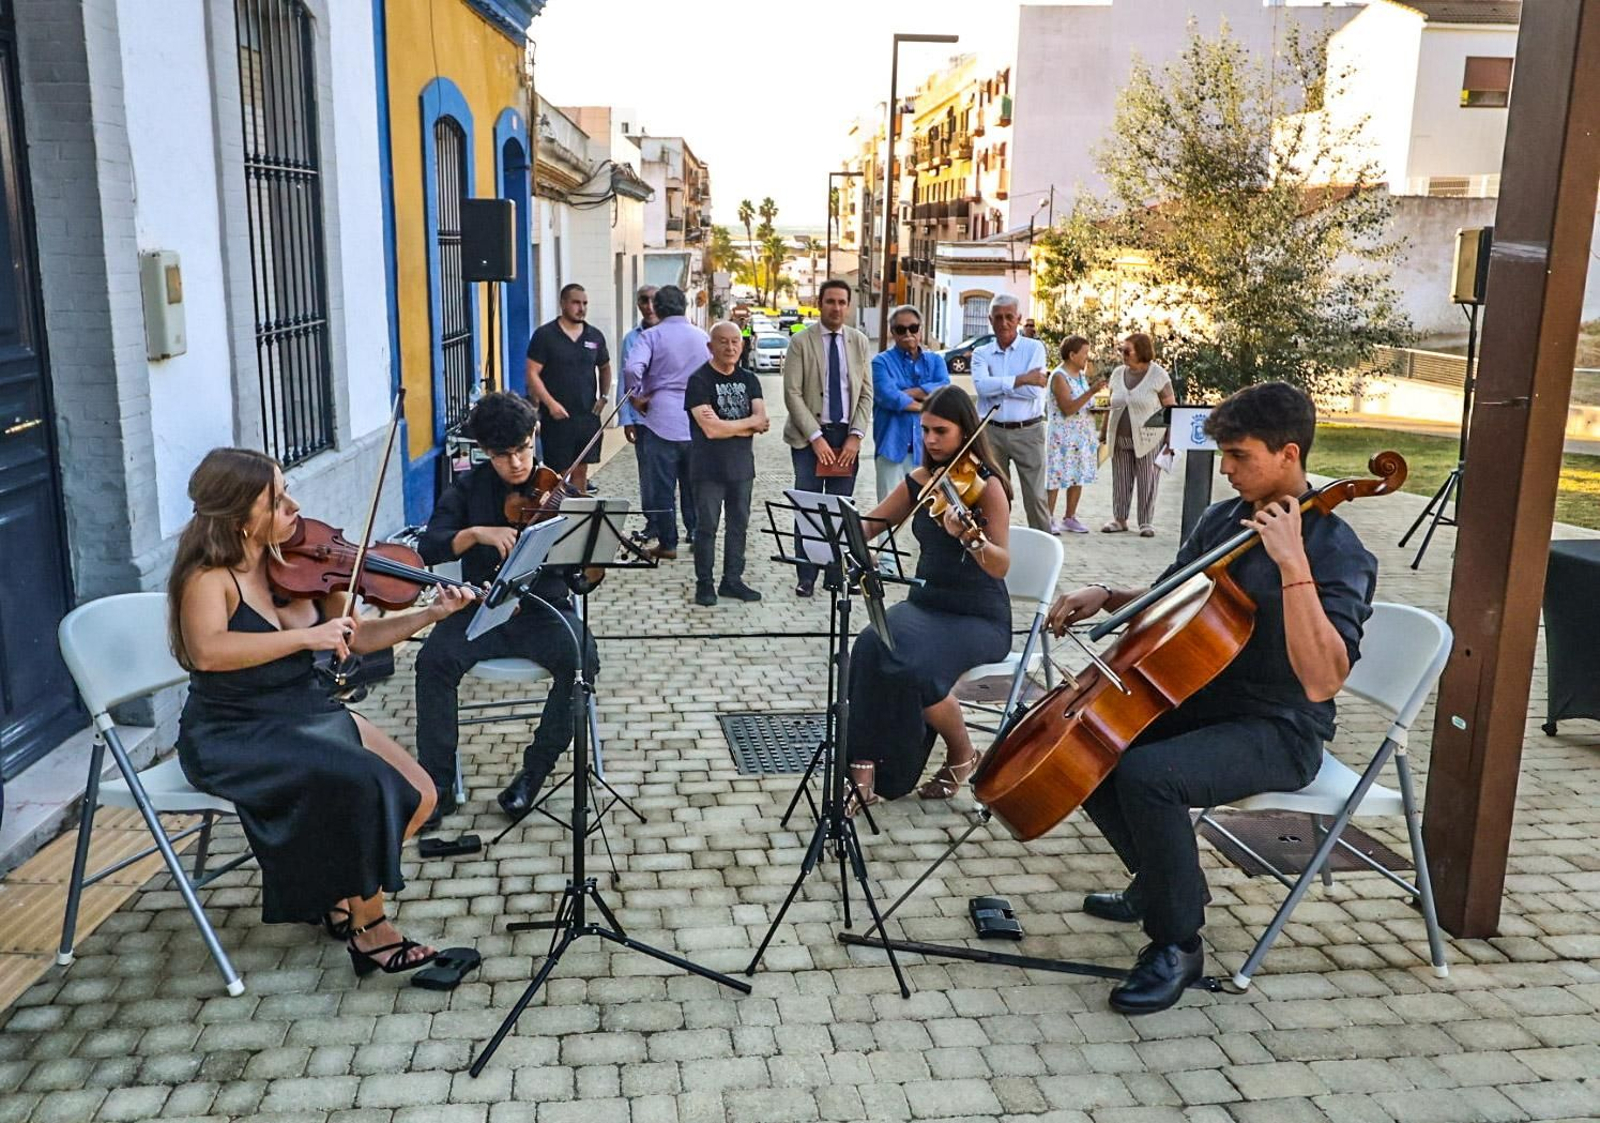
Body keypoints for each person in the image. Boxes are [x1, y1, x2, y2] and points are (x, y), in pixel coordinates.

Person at [1045, 381, 1377, 1015]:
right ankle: (1168, 885)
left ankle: (1176, 941)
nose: (1225, 469)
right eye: (1222, 454)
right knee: (1091, 741)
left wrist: (1292, 564)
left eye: (1239, 456)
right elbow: (1173, 597)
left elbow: (1323, 680)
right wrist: (1110, 594)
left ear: (1288, 454)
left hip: (1280, 727)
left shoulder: (1337, 550)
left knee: (1149, 774)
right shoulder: (1224, 520)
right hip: (1206, 700)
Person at [170, 448, 476, 977]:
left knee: (422, 795)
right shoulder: (209, 577)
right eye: (277, 499)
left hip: (304, 709)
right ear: (242, 517)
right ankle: (370, 929)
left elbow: (357, 640)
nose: (294, 505)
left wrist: (430, 613)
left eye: (287, 490)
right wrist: (306, 638)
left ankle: (333, 889)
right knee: (365, 784)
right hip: (235, 730)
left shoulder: (302, 565)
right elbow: (208, 653)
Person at [414, 392, 600, 823]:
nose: (516, 463)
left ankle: (532, 775)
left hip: (543, 610)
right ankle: (437, 785)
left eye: (522, 450)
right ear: (484, 452)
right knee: (433, 663)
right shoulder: (468, 488)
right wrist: (476, 533)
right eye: (503, 455)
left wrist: (586, 565)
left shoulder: (559, 492)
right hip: (480, 608)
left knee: (581, 661)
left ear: (534, 435)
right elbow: (431, 545)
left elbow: (580, 576)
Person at [847, 386, 1013, 805]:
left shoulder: (987, 487)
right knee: (868, 646)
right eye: (925, 431)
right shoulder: (923, 481)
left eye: (941, 431)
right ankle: (863, 769)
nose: (931, 440)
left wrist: (970, 539)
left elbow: (1000, 564)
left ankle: (962, 753)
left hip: (978, 617)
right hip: (927, 605)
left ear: (965, 431)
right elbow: (869, 525)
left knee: (914, 667)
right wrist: (844, 530)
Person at [781, 278, 873, 596]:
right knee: (808, 505)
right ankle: (806, 575)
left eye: (842, 302)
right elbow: (792, 393)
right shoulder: (801, 342)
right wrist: (815, 437)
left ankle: (837, 572)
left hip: (846, 437)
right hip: (809, 440)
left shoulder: (859, 342)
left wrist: (856, 436)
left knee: (840, 508)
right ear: (819, 304)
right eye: (830, 301)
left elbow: (865, 394)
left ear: (848, 306)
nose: (836, 308)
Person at [685, 322, 770, 606]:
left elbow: (763, 420)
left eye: (735, 341)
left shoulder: (750, 379)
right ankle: (704, 583)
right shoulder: (699, 381)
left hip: (742, 467)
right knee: (706, 527)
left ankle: (732, 580)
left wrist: (726, 425)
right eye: (723, 341)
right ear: (711, 346)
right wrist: (746, 425)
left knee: (738, 526)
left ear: (742, 345)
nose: (730, 347)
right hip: (708, 468)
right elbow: (710, 430)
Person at [623, 285, 707, 560]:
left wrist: (637, 397)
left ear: (657, 308)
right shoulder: (701, 337)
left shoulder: (651, 336)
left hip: (661, 417)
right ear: (684, 306)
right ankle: (695, 533)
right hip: (695, 418)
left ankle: (668, 543)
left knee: (663, 486)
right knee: (694, 483)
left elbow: (632, 368)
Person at [971, 294, 1052, 532]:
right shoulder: (981, 353)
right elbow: (981, 388)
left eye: (1009, 317)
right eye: (998, 317)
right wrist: (1023, 378)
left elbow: (1033, 392)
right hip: (991, 432)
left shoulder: (1034, 348)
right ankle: (994, 551)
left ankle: (1043, 555)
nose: (1004, 323)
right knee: (993, 497)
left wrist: (1001, 385)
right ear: (990, 320)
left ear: (1018, 318)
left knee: (1036, 498)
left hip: (1028, 431)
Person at [525, 284, 611, 493]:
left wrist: (604, 396)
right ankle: (557, 515)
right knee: (559, 473)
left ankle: (579, 514)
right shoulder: (545, 336)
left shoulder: (594, 336)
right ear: (563, 303)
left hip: (587, 416)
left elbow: (605, 367)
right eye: (576, 303)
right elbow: (532, 373)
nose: (581, 308)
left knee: (581, 470)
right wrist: (550, 403)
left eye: (584, 303)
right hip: (557, 418)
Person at [871, 303, 950, 504]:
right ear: (892, 332)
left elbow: (944, 388)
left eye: (913, 328)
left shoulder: (936, 361)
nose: (908, 333)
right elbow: (889, 396)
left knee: (927, 515)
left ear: (920, 330)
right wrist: (927, 404)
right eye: (901, 329)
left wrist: (907, 394)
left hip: (926, 451)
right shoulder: (880, 362)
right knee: (886, 514)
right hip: (892, 447)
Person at [1102, 331, 1176, 537]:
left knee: (1147, 480)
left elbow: (1170, 408)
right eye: (1121, 350)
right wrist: (1103, 434)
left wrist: (1171, 439)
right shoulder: (1117, 373)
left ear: (1141, 351)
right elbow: (1111, 404)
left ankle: (1146, 522)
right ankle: (1119, 519)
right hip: (1120, 436)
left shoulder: (1158, 374)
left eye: (1127, 351)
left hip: (1149, 438)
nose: (1123, 354)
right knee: (1121, 479)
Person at [1045, 335, 1105, 534]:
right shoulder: (1059, 376)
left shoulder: (1080, 376)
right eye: (1084, 354)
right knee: (1055, 476)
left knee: (1077, 475)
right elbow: (1068, 407)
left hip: (1080, 435)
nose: (1087, 358)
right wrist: (1092, 392)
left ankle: (1070, 517)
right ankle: (1047, 516)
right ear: (1072, 355)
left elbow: (1081, 404)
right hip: (1062, 437)